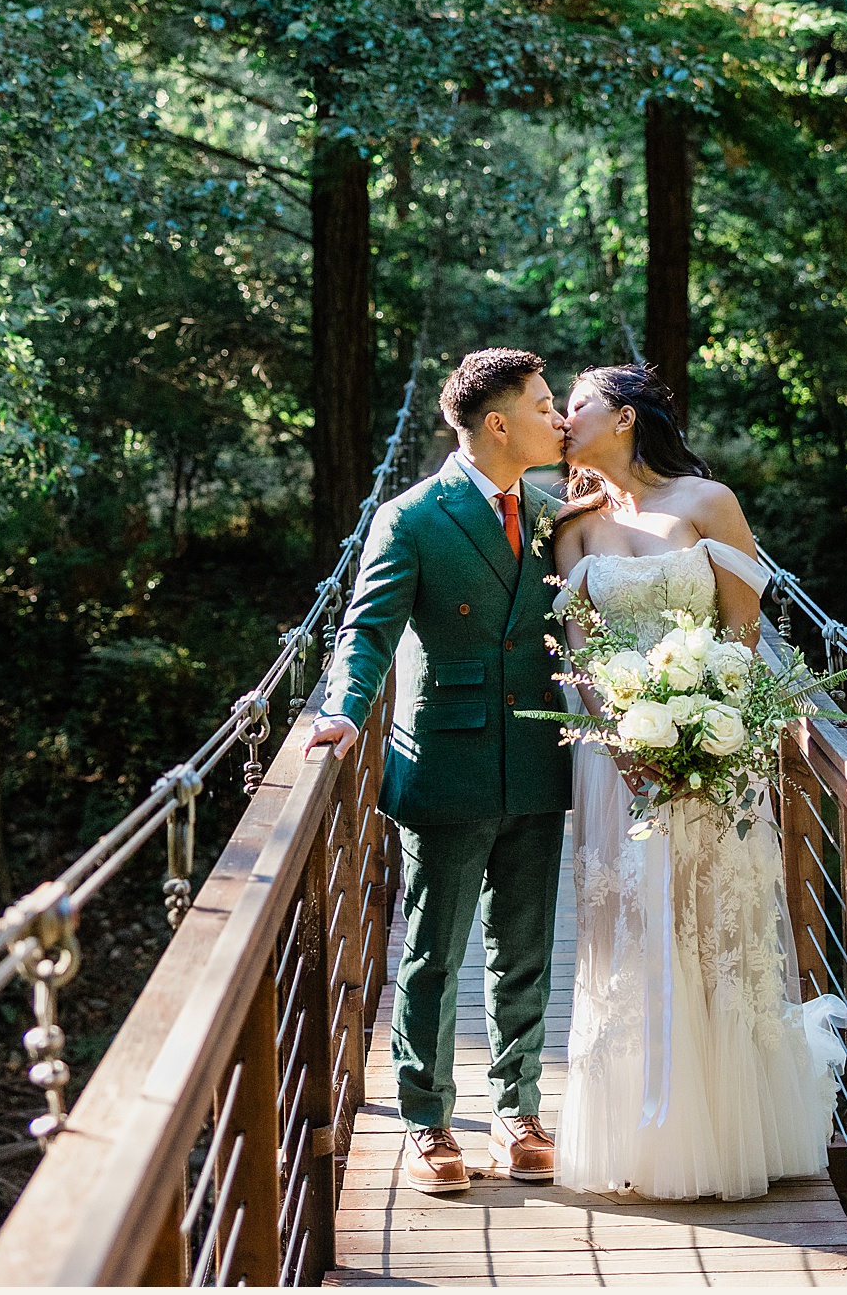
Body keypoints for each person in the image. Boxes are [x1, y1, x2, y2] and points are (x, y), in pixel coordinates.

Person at [548, 361, 847, 1201]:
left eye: (577, 406)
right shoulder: (572, 529)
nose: (563, 420)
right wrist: (622, 734)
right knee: (632, 927)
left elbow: (745, 636)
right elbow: (575, 658)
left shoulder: (707, 505)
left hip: (716, 747)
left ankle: (732, 1128)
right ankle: (645, 1138)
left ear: (627, 418)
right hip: (613, 757)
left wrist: (702, 731)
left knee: (715, 920)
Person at [305, 348, 571, 1196]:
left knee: (523, 946)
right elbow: (367, 630)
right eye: (543, 403)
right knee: (430, 950)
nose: (559, 417)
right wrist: (346, 708)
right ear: (499, 423)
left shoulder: (556, 505)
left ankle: (517, 1107)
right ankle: (426, 1120)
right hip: (446, 759)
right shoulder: (410, 517)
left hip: (538, 751)